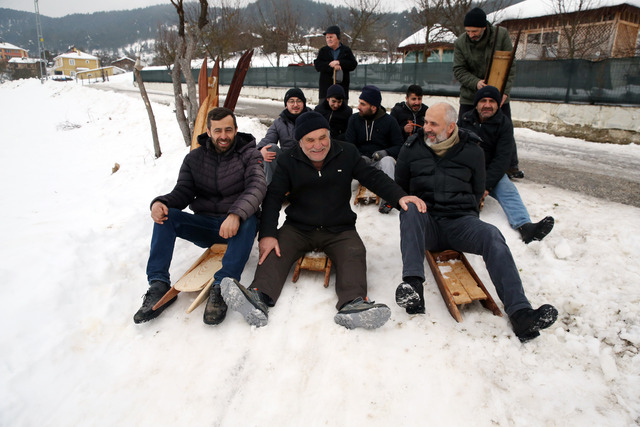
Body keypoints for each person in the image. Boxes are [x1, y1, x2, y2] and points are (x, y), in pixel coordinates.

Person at [220, 111, 426, 330]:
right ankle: (258, 297)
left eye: (322, 138)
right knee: (275, 251)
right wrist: (268, 235)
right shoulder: (288, 159)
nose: (318, 145)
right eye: (310, 140)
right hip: (298, 227)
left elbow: (373, 177)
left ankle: (353, 303)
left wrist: (400, 196)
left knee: (354, 253)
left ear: (329, 135)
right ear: (300, 141)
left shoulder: (347, 152)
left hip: (339, 228)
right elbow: (273, 197)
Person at [394, 102, 557, 342]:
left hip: (460, 223)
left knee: (492, 235)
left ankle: (521, 313)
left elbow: (478, 190)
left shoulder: (472, 151)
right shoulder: (411, 148)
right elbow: (400, 187)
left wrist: (464, 214)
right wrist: (410, 201)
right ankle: (414, 290)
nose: (426, 128)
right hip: (425, 223)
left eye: (433, 124)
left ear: (451, 127)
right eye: (426, 121)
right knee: (409, 209)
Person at [133, 107, 267, 325]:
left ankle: (222, 286)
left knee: (249, 218)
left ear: (235, 130)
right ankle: (158, 284)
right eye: (218, 131)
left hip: (238, 229)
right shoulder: (194, 158)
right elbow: (183, 191)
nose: (223, 136)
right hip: (207, 225)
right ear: (209, 131)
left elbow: (257, 186)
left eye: (228, 130)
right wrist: (160, 203)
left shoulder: (250, 155)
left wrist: (235, 214)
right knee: (168, 217)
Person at [458, 85, 554, 243]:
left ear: (498, 104)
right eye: (483, 101)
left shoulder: (504, 124)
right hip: (466, 169)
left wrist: (485, 186)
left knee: (508, 190)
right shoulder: (465, 119)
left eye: (491, 101)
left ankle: (525, 226)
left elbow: (502, 159)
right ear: (476, 104)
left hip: (489, 170)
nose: (487, 105)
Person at [453, 7, 523, 179]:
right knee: (464, 130)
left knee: (504, 128)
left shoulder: (501, 35)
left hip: (498, 93)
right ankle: (460, 163)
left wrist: (504, 92)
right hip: (470, 94)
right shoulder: (460, 42)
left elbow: (510, 65)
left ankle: (511, 165)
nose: (471, 34)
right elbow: (458, 69)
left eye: (475, 31)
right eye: (468, 31)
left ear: (484, 27)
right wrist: (476, 83)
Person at [345, 85, 404, 214]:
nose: (358, 107)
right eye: (359, 103)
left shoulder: (389, 121)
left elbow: (399, 146)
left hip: (380, 164)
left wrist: (385, 152)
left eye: (363, 104)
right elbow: (349, 145)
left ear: (373, 107)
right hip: (360, 164)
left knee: (388, 161)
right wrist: (359, 157)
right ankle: (340, 198)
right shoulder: (354, 120)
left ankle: (389, 199)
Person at [257, 88, 311, 185]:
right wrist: (260, 149)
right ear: (286, 104)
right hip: (287, 161)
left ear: (304, 103)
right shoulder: (279, 122)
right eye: (291, 101)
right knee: (270, 148)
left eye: (299, 101)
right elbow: (268, 139)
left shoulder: (313, 119)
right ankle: (271, 189)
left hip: (308, 160)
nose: (295, 105)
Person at [314, 25, 358, 102]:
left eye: (331, 37)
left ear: (337, 37)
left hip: (342, 91)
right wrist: (330, 65)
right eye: (327, 37)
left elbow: (353, 64)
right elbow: (318, 65)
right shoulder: (323, 51)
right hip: (325, 92)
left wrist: (340, 63)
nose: (329, 39)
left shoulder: (346, 50)